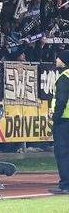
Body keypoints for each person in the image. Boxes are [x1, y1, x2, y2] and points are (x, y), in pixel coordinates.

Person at [51, 50, 69, 194]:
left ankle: (65, 185)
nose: (56, 60)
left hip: (64, 121)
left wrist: (55, 117)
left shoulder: (64, 77)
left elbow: (61, 100)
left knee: (62, 153)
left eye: (59, 57)